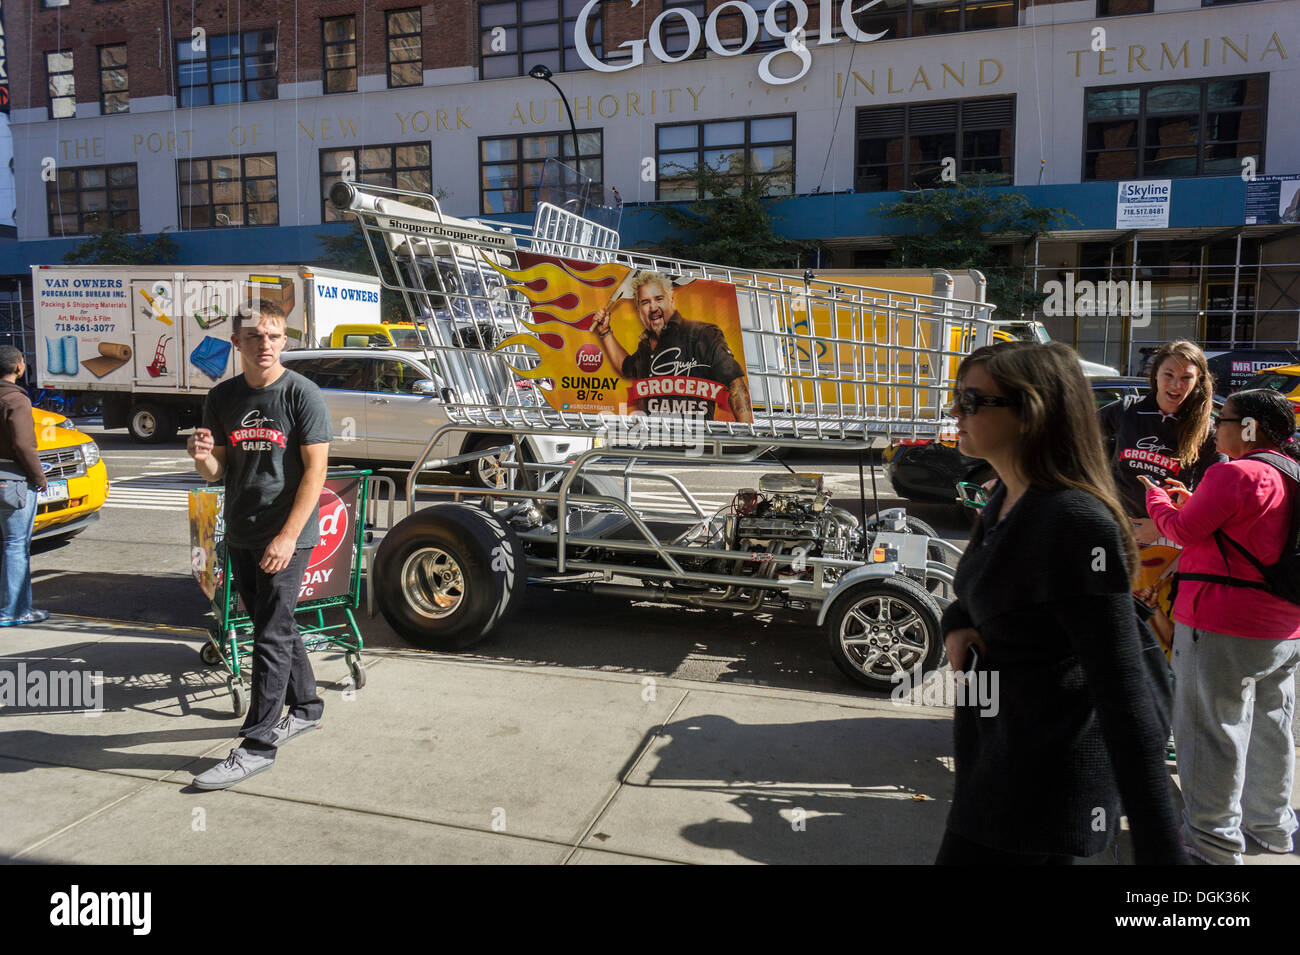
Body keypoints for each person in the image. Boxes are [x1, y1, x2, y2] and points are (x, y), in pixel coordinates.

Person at [937, 340, 1184, 864]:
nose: (955, 411)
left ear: (1031, 414)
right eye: (957, 397)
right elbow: (983, 587)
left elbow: (1124, 697)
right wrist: (956, 621)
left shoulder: (1073, 522)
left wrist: (1162, 856)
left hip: (1044, 791)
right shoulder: (1006, 497)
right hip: (993, 767)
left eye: (973, 400)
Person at [1143, 388, 1300, 864]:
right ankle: (1272, 828)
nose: (1216, 429)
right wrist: (1195, 502)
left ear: (1249, 428)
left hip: (1220, 623)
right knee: (1273, 728)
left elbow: (1181, 531)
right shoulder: (1291, 472)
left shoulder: (1233, 473)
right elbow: (1251, 526)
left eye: (1224, 420)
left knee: (1210, 732)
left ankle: (1211, 843)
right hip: (1284, 628)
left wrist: (1156, 502)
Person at [189, 301, 332, 790]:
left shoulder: (302, 394)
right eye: (254, 337)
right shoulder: (222, 396)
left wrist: (289, 537)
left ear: (284, 341)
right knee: (275, 622)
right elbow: (218, 471)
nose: (265, 344)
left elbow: (316, 473)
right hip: (243, 529)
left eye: (273, 336)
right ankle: (308, 707)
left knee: (269, 634)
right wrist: (203, 457)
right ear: (237, 344)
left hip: (286, 534)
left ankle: (257, 744)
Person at [1098, 339, 1225, 654]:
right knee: (1111, 623)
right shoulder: (1125, 410)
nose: (1176, 384)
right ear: (1155, 375)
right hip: (1117, 532)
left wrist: (1162, 526)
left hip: (1170, 538)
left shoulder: (1207, 430)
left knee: (1161, 633)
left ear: (1198, 383)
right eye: (1169, 374)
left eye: (1186, 378)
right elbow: (1075, 439)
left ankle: (1165, 696)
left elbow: (1216, 496)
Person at [591, 271, 753, 422]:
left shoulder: (702, 334)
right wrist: (605, 332)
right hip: (655, 440)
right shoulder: (645, 347)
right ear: (638, 310)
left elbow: (736, 385)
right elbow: (625, 366)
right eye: (645, 302)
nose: (653, 308)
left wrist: (746, 434)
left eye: (659, 299)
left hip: (697, 439)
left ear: (672, 301)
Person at [0, 346, 48, 626]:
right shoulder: (16, 401)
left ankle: (8, 607)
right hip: (13, 481)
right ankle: (15, 611)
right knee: (16, 545)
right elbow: (22, 444)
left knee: (5, 545)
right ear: (19, 367)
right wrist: (39, 477)